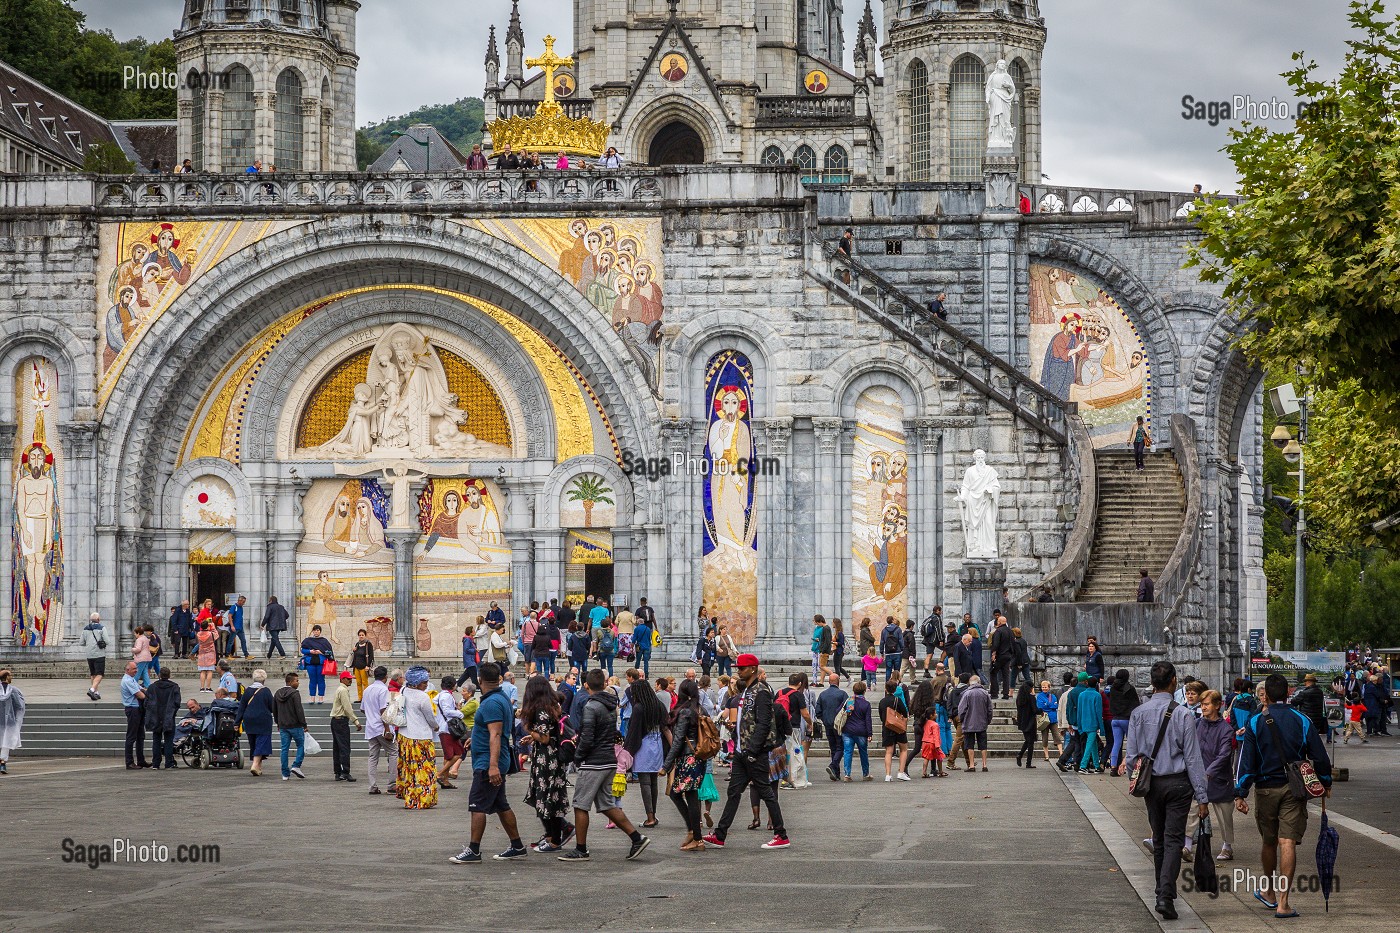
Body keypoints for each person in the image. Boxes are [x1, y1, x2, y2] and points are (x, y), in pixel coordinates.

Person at [1234, 672, 1333, 919]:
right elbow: (1320, 756)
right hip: (1294, 788)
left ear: (1265, 694)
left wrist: (1241, 792)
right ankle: (1284, 902)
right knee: (1287, 842)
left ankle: (1268, 890)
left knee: (1269, 841)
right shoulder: (1302, 720)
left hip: (1266, 789)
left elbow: (1247, 762)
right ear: (1288, 693)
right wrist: (1325, 782)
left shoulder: (1256, 722)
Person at [1124, 661, 1210, 921]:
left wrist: (1136, 781)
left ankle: (1161, 890)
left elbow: (1131, 756)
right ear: (1173, 680)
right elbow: (1193, 758)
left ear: (1152, 682)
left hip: (1152, 784)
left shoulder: (1138, 713)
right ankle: (1165, 894)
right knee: (1174, 839)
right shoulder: (1183, 714)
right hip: (1179, 783)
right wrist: (1202, 795)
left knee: (1159, 839)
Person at [560, 667, 651, 861]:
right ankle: (636, 837)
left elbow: (587, 736)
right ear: (603, 684)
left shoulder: (591, 706)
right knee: (606, 804)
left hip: (594, 761)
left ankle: (581, 849)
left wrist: (578, 756)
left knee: (580, 805)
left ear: (586, 685)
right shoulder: (610, 705)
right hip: (609, 759)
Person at [703, 653, 790, 850]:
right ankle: (720, 834)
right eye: (738, 668)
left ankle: (781, 834)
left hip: (754, 752)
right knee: (734, 792)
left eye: (741, 668)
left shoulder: (761, 691)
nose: (738, 671)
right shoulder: (747, 692)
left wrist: (753, 749)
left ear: (752, 669)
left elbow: (764, 723)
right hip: (744, 752)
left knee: (766, 792)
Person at [450, 662, 529, 862]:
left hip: (488, 762)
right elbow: (489, 730)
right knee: (501, 805)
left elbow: (495, 734)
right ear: (499, 679)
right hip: (492, 757)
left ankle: (474, 850)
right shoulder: (500, 698)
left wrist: (492, 765)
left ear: (479, 680)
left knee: (477, 805)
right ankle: (517, 845)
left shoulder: (491, 702)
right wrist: (475, 737)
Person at [520, 674, 572, 851]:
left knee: (548, 797)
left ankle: (555, 838)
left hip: (547, 760)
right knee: (545, 796)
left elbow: (544, 737)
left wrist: (528, 729)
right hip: (548, 757)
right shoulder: (551, 707)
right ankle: (552, 834)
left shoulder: (541, 711)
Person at [1183, 690, 1236, 862]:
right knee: (1192, 810)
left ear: (1217, 705)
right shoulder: (1197, 724)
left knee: (1224, 814)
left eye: (1206, 704)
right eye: (1202, 704)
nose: (1203, 707)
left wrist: (1209, 772)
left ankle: (1227, 846)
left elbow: (1224, 755)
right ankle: (1187, 845)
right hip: (1198, 776)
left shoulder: (1226, 729)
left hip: (1219, 778)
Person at [664, 679, 708, 850]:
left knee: (684, 795)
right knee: (689, 795)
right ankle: (693, 832)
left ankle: (697, 836)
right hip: (699, 756)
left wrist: (666, 765)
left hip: (688, 757)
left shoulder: (684, 712)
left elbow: (677, 741)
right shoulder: (700, 709)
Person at [625, 678, 668, 828]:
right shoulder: (659, 705)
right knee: (653, 781)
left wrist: (627, 750)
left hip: (643, 745)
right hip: (657, 744)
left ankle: (650, 817)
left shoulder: (638, 708)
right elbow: (666, 727)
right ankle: (653, 815)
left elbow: (633, 731)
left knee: (644, 782)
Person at [397, 666, 439, 809]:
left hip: (405, 735)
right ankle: (422, 798)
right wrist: (436, 726)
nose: (426, 685)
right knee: (424, 769)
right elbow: (430, 717)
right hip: (421, 737)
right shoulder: (423, 697)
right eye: (424, 682)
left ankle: (410, 796)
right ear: (416, 683)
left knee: (409, 768)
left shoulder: (403, 690)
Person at [362, 666, 398, 793]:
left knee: (373, 756)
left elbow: (362, 708)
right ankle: (392, 783)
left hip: (371, 727)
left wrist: (371, 714)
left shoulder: (367, 689)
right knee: (394, 752)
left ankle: (372, 785)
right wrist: (387, 728)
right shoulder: (383, 690)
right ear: (385, 677)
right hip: (381, 727)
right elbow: (383, 710)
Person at [236, 669, 276, 776]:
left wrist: (236, 723)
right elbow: (272, 707)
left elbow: (241, 707)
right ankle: (254, 764)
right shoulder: (266, 691)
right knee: (262, 741)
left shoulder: (247, 690)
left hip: (249, 719)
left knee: (253, 741)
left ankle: (258, 767)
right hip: (263, 719)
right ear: (264, 679)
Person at [144, 669, 182, 769]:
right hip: (169, 716)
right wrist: (173, 711)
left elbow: (146, 702)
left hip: (155, 715)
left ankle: (156, 763)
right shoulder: (174, 687)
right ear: (169, 675)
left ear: (159, 675)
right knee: (169, 740)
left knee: (156, 740)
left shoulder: (152, 687)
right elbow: (177, 702)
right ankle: (168, 763)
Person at [814, 673, 848, 781]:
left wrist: (824, 719)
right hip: (838, 725)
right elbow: (848, 709)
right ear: (838, 681)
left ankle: (836, 773)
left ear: (829, 682)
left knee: (833, 748)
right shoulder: (842, 694)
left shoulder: (823, 694)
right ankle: (833, 766)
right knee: (840, 747)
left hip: (827, 724)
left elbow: (817, 711)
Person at [328, 670, 361, 783]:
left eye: (351, 678)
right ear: (342, 679)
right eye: (348, 678)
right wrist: (355, 721)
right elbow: (347, 708)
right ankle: (345, 772)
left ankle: (338, 772)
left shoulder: (340, 689)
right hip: (341, 721)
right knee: (344, 747)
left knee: (337, 747)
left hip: (335, 721)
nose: (350, 680)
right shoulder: (343, 690)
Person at [274, 671, 308, 781]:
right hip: (295, 725)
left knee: (284, 749)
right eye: (296, 681)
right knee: (301, 745)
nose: (298, 683)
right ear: (290, 682)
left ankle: (285, 773)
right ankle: (296, 765)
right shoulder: (294, 693)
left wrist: (278, 722)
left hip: (283, 725)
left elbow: (274, 710)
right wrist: (304, 724)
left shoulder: (278, 693)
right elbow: (299, 710)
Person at [1107, 668, 1141, 775]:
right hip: (1127, 719)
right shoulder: (1129, 689)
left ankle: (1113, 767)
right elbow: (1136, 704)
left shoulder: (1113, 688)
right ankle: (1128, 765)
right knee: (1131, 743)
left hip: (1115, 719)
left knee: (1116, 743)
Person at [839, 679, 873, 781]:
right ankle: (865, 774)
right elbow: (868, 720)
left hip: (848, 730)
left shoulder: (849, 701)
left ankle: (847, 774)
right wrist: (869, 733)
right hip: (861, 732)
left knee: (848, 752)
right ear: (864, 691)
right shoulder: (866, 704)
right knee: (863, 753)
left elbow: (839, 711)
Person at [957, 675, 993, 772]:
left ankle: (972, 765)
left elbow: (961, 709)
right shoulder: (985, 693)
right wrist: (988, 720)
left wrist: (962, 719)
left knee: (969, 745)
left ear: (970, 682)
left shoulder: (966, 694)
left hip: (969, 724)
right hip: (982, 723)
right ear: (979, 682)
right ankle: (984, 765)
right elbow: (990, 709)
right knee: (983, 744)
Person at [878, 679, 912, 781]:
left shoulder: (882, 702)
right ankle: (901, 772)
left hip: (887, 728)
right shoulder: (898, 700)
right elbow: (905, 714)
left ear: (885, 689)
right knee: (904, 749)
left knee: (889, 751)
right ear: (895, 689)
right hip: (898, 728)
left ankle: (888, 775)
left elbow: (881, 717)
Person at [435, 677, 466, 787]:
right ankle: (440, 774)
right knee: (458, 753)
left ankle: (445, 780)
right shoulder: (446, 696)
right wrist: (459, 713)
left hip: (444, 727)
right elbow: (447, 711)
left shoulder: (441, 695)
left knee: (448, 755)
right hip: (447, 728)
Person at [120, 661, 149, 769]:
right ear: (128, 670)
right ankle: (129, 762)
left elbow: (142, 689)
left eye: (136, 668)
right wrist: (150, 697)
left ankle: (141, 760)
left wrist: (148, 691)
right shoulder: (127, 680)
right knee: (131, 736)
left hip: (138, 709)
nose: (136, 670)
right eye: (134, 669)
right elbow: (140, 695)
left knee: (140, 735)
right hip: (132, 709)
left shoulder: (132, 679)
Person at [1288, 672, 1329, 743]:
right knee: (1314, 737)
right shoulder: (1319, 692)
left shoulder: (1305, 693)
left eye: (1305, 682)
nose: (1304, 683)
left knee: (1306, 738)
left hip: (1307, 718)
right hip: (1317, 719)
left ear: (1308, 682)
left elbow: (1294, 702)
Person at [1077, 676, 1105, 773]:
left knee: (1093, 745)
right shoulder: (1097, 695)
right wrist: (1101, 727)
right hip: (1093, 723)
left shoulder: (1081, 695)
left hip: (1084, 722)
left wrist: (1079, 724)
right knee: (1090, 745)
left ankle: (1097, 766)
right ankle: (1083, 765)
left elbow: (1079, 711)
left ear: (1087, 683)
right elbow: (1098, 712)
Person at [299, 625, 334, 703]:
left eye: (318, 630)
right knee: (312, 680)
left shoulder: (324, 641)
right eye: (315, 630)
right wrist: (310, 651)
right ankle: (312, 697)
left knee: (321, 680)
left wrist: (320, 652)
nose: (316, 632)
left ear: (320, 631)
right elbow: (302, 650)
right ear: (312, 631)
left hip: (321, 663)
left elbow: (329, 652)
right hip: (310, 663)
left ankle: (321, 697)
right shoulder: (307, 640)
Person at [80, 612, 110, 701]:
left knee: (93, 674)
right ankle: (92, 689)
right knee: (100, 674)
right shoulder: (101, 628)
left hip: (89, 655)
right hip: (99, 654)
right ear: (98, 619)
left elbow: (81, 642)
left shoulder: (85, 628)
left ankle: (96, 693)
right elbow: (107, 641)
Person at [0, 669, 22, 774]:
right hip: (9, 721)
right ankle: (3, 763)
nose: (11, 677)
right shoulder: (13, 690)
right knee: (6, 743)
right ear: (6, 677)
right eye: (10, 675)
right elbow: (19, 705)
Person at [988, 614, 1014, 699]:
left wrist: (993, 654)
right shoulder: (1010, 631)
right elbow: (1013, 643)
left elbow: (996, 644)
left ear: (999, 622)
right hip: (1008, 655)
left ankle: (994, 693)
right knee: (1006, 675)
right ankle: (1006, 694)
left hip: (999, 655)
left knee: (993, 673)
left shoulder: (998, 631)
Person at [1014, 680, 1038, 768]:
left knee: (1028, 740)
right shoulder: (1031, 697)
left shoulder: (1020, 698)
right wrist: (1041, 711)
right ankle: (1028, 762)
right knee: (1030, 742)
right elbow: (1035, 710)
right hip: (1030, 722)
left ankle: (1020, 755)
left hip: (1022, 722)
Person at [350, 629, 375, 699]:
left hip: (364, 667)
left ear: (365, 635)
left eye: (362, 635)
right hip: (357, 666)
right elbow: (355, 655)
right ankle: (360, 698)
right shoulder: (357, 644)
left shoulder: (368, 644)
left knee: (364, 682)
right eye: (360, 635)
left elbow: (371, 656)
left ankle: (366, 698)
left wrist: (368, 665)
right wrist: (354, 650)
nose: (361, 636)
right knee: (358, 683)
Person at [194, 621, 217, 692]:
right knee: (209, 671)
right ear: (207, 626)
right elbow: (217, 635)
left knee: (202, 671)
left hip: (202, 654)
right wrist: (213, 627)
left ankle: (202, 687)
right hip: (210, 653)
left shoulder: (198, 634)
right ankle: (208, 687)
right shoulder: (211, 634)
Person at [879, 616, 903, 682]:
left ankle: (888, 685)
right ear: (892, 620)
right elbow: (901, 640)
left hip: (888, 653)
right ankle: (897, 684)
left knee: (888, 670)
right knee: (897, 670)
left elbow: (882, 642)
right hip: (897, 652)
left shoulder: (884, 630)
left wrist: (881, 652)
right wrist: (902, 648)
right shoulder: (898, 629)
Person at [632, 612, 654, 678]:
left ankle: (635, 674)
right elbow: (649, 638)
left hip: (639, 646)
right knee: (646, 662)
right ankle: (646, 675)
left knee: (638, 660)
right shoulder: (648, 629)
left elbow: (634, 638)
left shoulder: (637, 629)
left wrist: (632, 645)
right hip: (647, 646)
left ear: (638, 623)